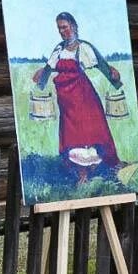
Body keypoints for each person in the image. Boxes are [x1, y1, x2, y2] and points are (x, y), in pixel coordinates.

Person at [32, 12, 123, 184]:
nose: (62, 31)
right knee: (72, 136)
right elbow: (48, 69)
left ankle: (106, 166)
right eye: (59, 28)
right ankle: (83, 175)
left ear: (73, 26)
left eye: (65, 27)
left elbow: (102, 66)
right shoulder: (59, 49)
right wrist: (40, 78)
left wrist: (114, 77)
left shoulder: (84, 48)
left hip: (84, 97)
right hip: (66, 101)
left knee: (93, 131)